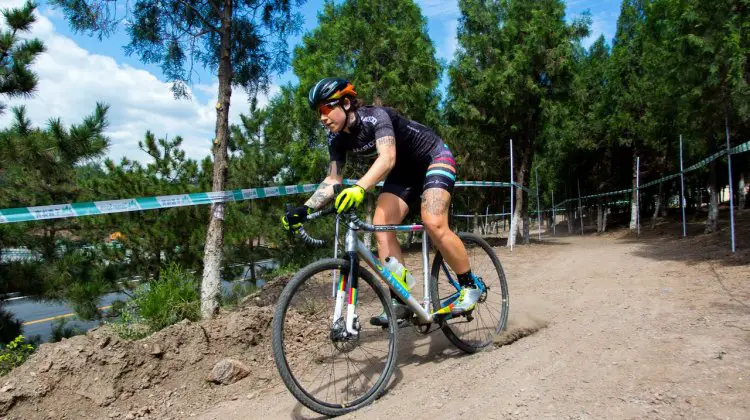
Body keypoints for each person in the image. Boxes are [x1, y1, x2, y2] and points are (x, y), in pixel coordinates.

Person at [282, 77, 481, 325]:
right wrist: (305, 208)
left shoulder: (375, 117)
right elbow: (333, 180)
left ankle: (470, 286)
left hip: (433, 157)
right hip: (404, 172)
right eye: (318, 112)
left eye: (325, 108)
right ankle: (403, 300)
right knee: (381, 228)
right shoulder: (335, 139)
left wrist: (359, 188)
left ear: (345, 103)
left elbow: (386, 159)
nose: (322, 117)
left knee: (433, 222)